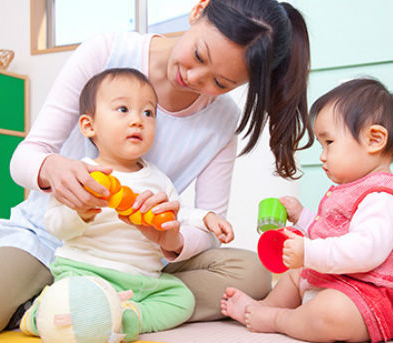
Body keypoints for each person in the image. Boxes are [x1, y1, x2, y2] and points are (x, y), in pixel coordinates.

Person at [0, 0, 312, 338]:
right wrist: (54, 169)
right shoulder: (107, 53)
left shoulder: (221, 120)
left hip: (136, 264)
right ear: (199, 8)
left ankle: (93, 308)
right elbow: (25, 157)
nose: (194, 76)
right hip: (51, 245)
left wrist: (171, 239)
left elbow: (210, 223)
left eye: (221, 83)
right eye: (199, 55)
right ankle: (48, 305)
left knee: (249, 273)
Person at [19, 68, 233, 341]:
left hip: (141, 280)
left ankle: (126, 318)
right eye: (123, 109)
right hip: (85, 271)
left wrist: (206, 218)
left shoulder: (158, 179)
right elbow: (56, 225)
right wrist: (80, 215)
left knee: (181, 299)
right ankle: (43, 312)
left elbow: (177, 213)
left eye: (148, 113)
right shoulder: (81, 173)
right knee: (68, 300)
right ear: (89, 126)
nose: (138, 121)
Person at [221, 78, 393, 342]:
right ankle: (264, 307)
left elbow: (364, 251)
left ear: (374, 139)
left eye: (329, 142)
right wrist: (303, 217)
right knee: (296, 274)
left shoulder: (383, 198)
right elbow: (334, 230)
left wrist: (307, 251)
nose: (322, 155)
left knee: (331, 313)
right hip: (344, 281)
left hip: (379, 297)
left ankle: (278, 319)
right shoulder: (352, 189)